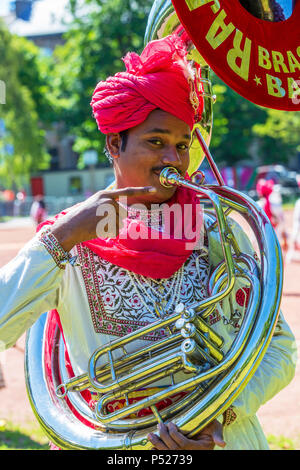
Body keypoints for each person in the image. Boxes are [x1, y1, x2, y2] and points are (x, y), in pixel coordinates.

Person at [0, 34, 297, 451]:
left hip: (224, 440)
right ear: (114, 144)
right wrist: (64, 237)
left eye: (181, 145)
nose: (173, 160)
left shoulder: (216, 228)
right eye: (156, 142)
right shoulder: (69, 237)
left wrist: (219, 413)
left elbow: (279, 346)